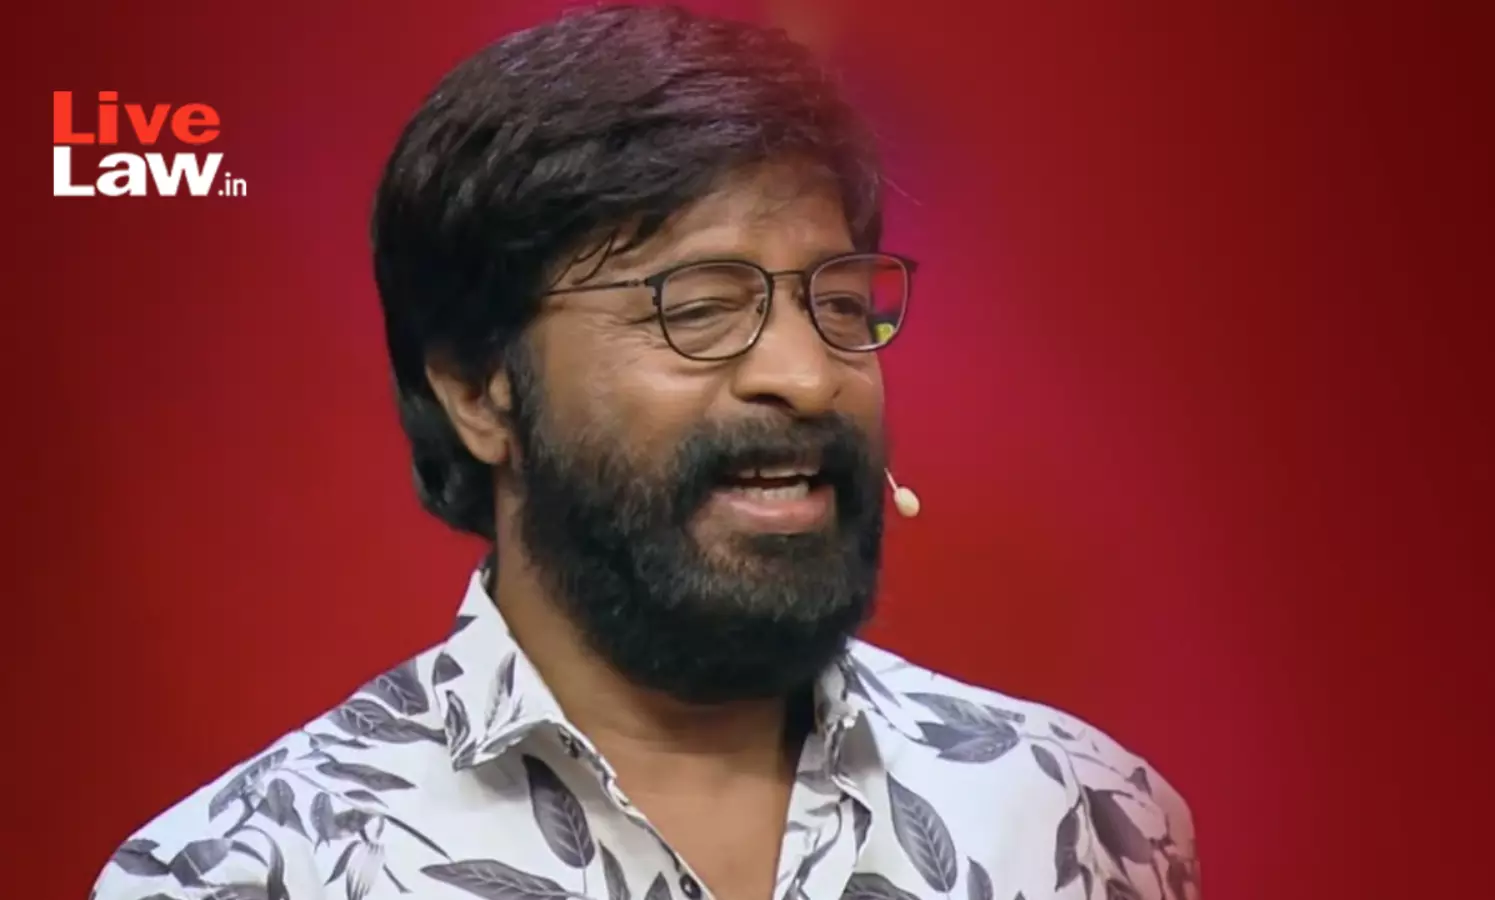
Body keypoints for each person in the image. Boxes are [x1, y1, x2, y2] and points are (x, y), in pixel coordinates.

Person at [91, 6, 1200, 900]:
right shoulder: (249, 871)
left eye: (839, 303)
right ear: (477, 389)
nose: (808, 376)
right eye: (700, 307)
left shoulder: (1082, 817)